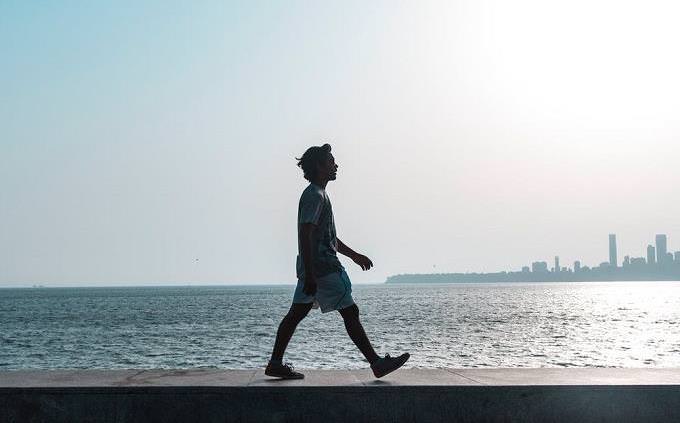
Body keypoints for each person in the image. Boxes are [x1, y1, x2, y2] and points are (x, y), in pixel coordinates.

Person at [265, 143, 410, 379]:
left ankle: (275, 363)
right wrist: (312, 274)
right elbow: (306, 234)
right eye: (331, 162)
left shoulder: (318, 194)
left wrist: (353, 255)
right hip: (323, 269)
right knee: (350, 311)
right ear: (320, 167)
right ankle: (376, 363)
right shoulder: (315, 195)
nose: (336, 165)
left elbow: (327, 236)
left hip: (314, 268)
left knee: (296, 313)